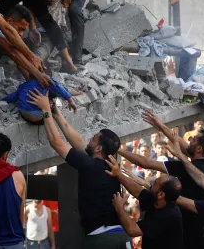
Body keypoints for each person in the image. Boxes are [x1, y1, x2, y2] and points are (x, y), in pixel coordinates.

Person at [26, 89, 132, 249]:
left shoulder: (89, 165)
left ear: (98, 149)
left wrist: (45, 111)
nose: (89, 139)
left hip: (101, 240)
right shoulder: (108, 165)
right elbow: (79, 142)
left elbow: (56, 142)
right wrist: (57, 115)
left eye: (94, 139)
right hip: (121, 236)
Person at [120, 109, 204, 249]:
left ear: (199, 148)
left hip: (186, 230)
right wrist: (160, 126)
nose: (189, 140)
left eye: (193, 140)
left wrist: (118, 149)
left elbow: (146, 163)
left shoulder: (185, 168)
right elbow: (183, 145)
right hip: (202, 231)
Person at [106, 155, 183, 249]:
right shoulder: (157, 199)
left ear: (161, 195)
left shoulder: (169, 215)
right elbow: (138, 191)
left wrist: (119, 209)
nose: (150, 184)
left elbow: (133, 230)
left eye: (155, 183)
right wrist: (119, 174)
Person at [29, 0, 76, 71]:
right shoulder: (40, 4)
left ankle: (67, 69)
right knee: (40, 53)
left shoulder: (61, 0)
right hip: (45, 35)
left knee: (67, 52)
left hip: (61, 33)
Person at [3, 77, 77, 124]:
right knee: (55, 94)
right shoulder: (47, 80)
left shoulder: (25, 84)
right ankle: (53, 108)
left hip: (24, 115)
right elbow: (59, 87)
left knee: (51, 92)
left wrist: (2, 101)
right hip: (39, 117)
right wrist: (70, 100)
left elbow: (15, 95)